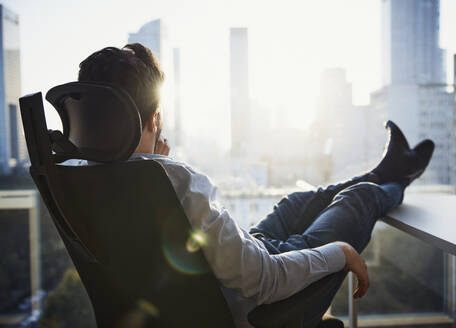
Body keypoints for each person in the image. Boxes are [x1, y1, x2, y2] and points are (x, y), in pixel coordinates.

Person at [77, 43, 434, 328]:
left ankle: (387, 168)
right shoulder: (172, 180)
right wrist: (340, 252)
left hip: (231, 275)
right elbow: (265, 281)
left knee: (294, 202)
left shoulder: (83, 178)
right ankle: (398, 177)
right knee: (357, 200)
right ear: (154, 119)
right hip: (257, 301)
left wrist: (156, 159)